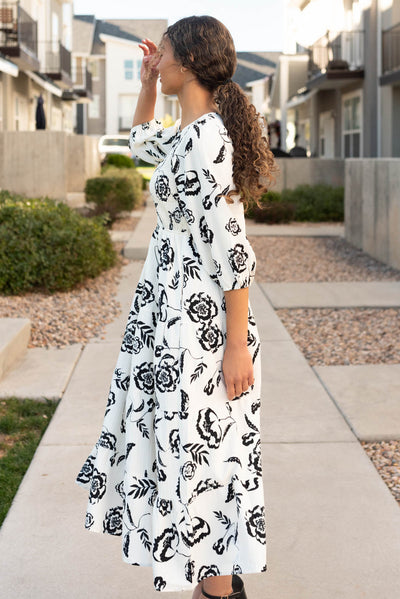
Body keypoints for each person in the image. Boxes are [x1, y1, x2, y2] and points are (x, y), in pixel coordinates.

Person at [76, 15, 276, 599]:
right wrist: (143, 83)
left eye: (160, 55)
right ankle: (215, 586)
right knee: (191, 457)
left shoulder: (209, 140)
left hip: (199, 331)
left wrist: (236, 347)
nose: (156, 62)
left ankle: (217, 590)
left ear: (188, 62)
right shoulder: (189, 134)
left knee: (203, 462)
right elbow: (141, 142)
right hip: (169, 320)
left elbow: (233, 254)